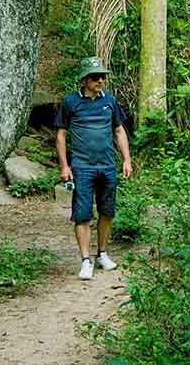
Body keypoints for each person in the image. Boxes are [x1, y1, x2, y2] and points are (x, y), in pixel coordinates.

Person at [53, 56, 134, 280]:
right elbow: (61, 135)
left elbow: (119, 130)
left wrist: (126, 160)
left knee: (107, 212)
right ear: (85, 80)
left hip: (108, 165)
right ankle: (86, 260)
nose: (100, 80)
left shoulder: (110, 101)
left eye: (102, 77)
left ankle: (102, 253)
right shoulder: (70, 103)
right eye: (96, 77)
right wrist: (64, 166)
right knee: (82, 214)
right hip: (82, 167)